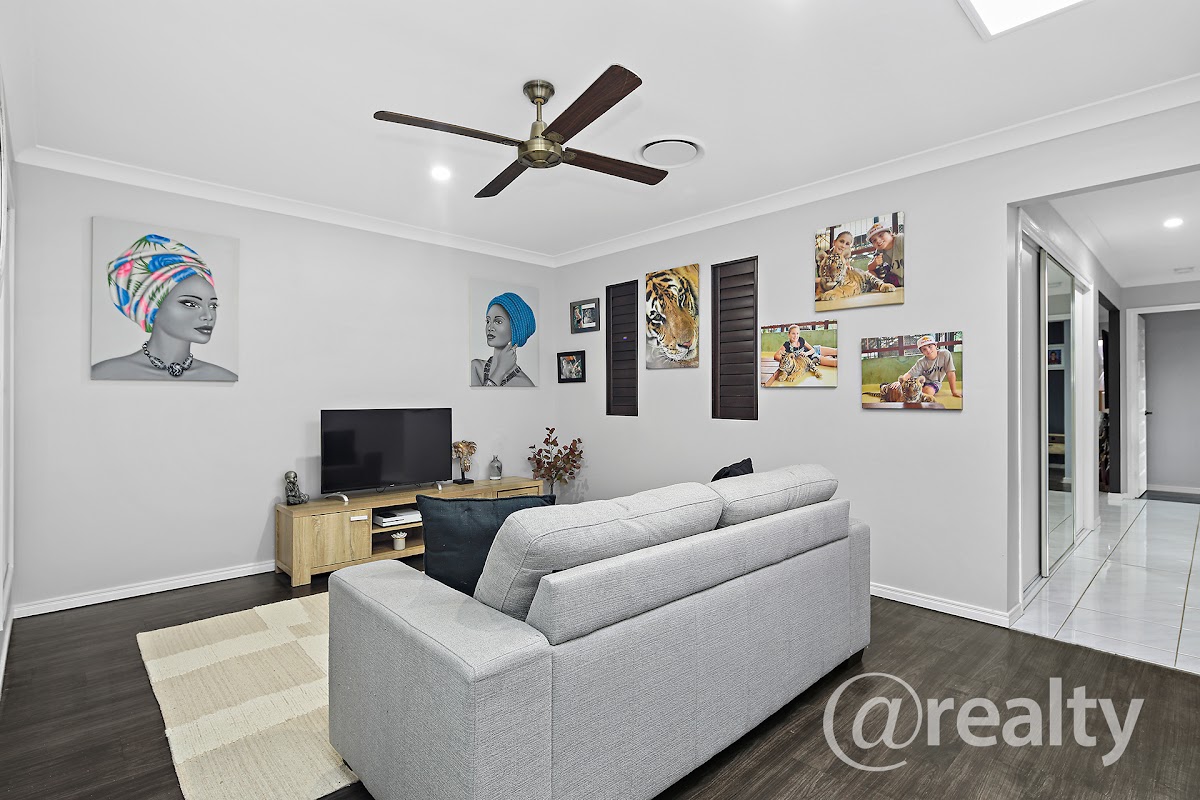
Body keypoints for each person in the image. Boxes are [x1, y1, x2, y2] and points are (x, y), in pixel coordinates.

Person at [90, 234, 238, 381]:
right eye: (190, 304)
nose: (208, 316)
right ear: (151, 308)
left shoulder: (226, 377)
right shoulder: (105, 373)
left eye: (213, 305)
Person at [471, 292, 536, 387]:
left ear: (516, 329)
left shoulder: (526, 384)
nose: (490, 327)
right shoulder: (475, 367)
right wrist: (500, 370)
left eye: (498, 321)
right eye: (488, 321)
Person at [886, 334, 961, 400]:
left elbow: (950, 373)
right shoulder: (921, 361)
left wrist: (954, 391)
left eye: (930, 346)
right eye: (924, 349)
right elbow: (910, 373)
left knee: (928, 392)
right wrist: (900, 382)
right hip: (919, 382)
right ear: (921, 352)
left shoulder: (945, 354)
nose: (928, 350)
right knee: (900, 390)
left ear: (935, 345)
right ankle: (886, 386)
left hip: (934, 382)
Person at [762, 324, 837, 386]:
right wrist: (786, 360)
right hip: (812, 359)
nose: (796, 336)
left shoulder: (801, 340)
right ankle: (829, 357)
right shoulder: (787, 345)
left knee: (836, 351)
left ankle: (831, 355)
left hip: (815, 350)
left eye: (797, 333)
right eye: (793, 333)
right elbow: (776, 356)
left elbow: (812, 349)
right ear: (789, 335)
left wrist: (806, 353)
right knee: (835, 362)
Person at [865, 222, 903, 287]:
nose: (878, 241)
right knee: (869, 273)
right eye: (874, 240)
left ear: (890, 233)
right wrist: (875, 263)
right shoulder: (880, 251)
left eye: (881, 235)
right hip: (898, 281)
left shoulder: (901, 239)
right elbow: (869, 267)